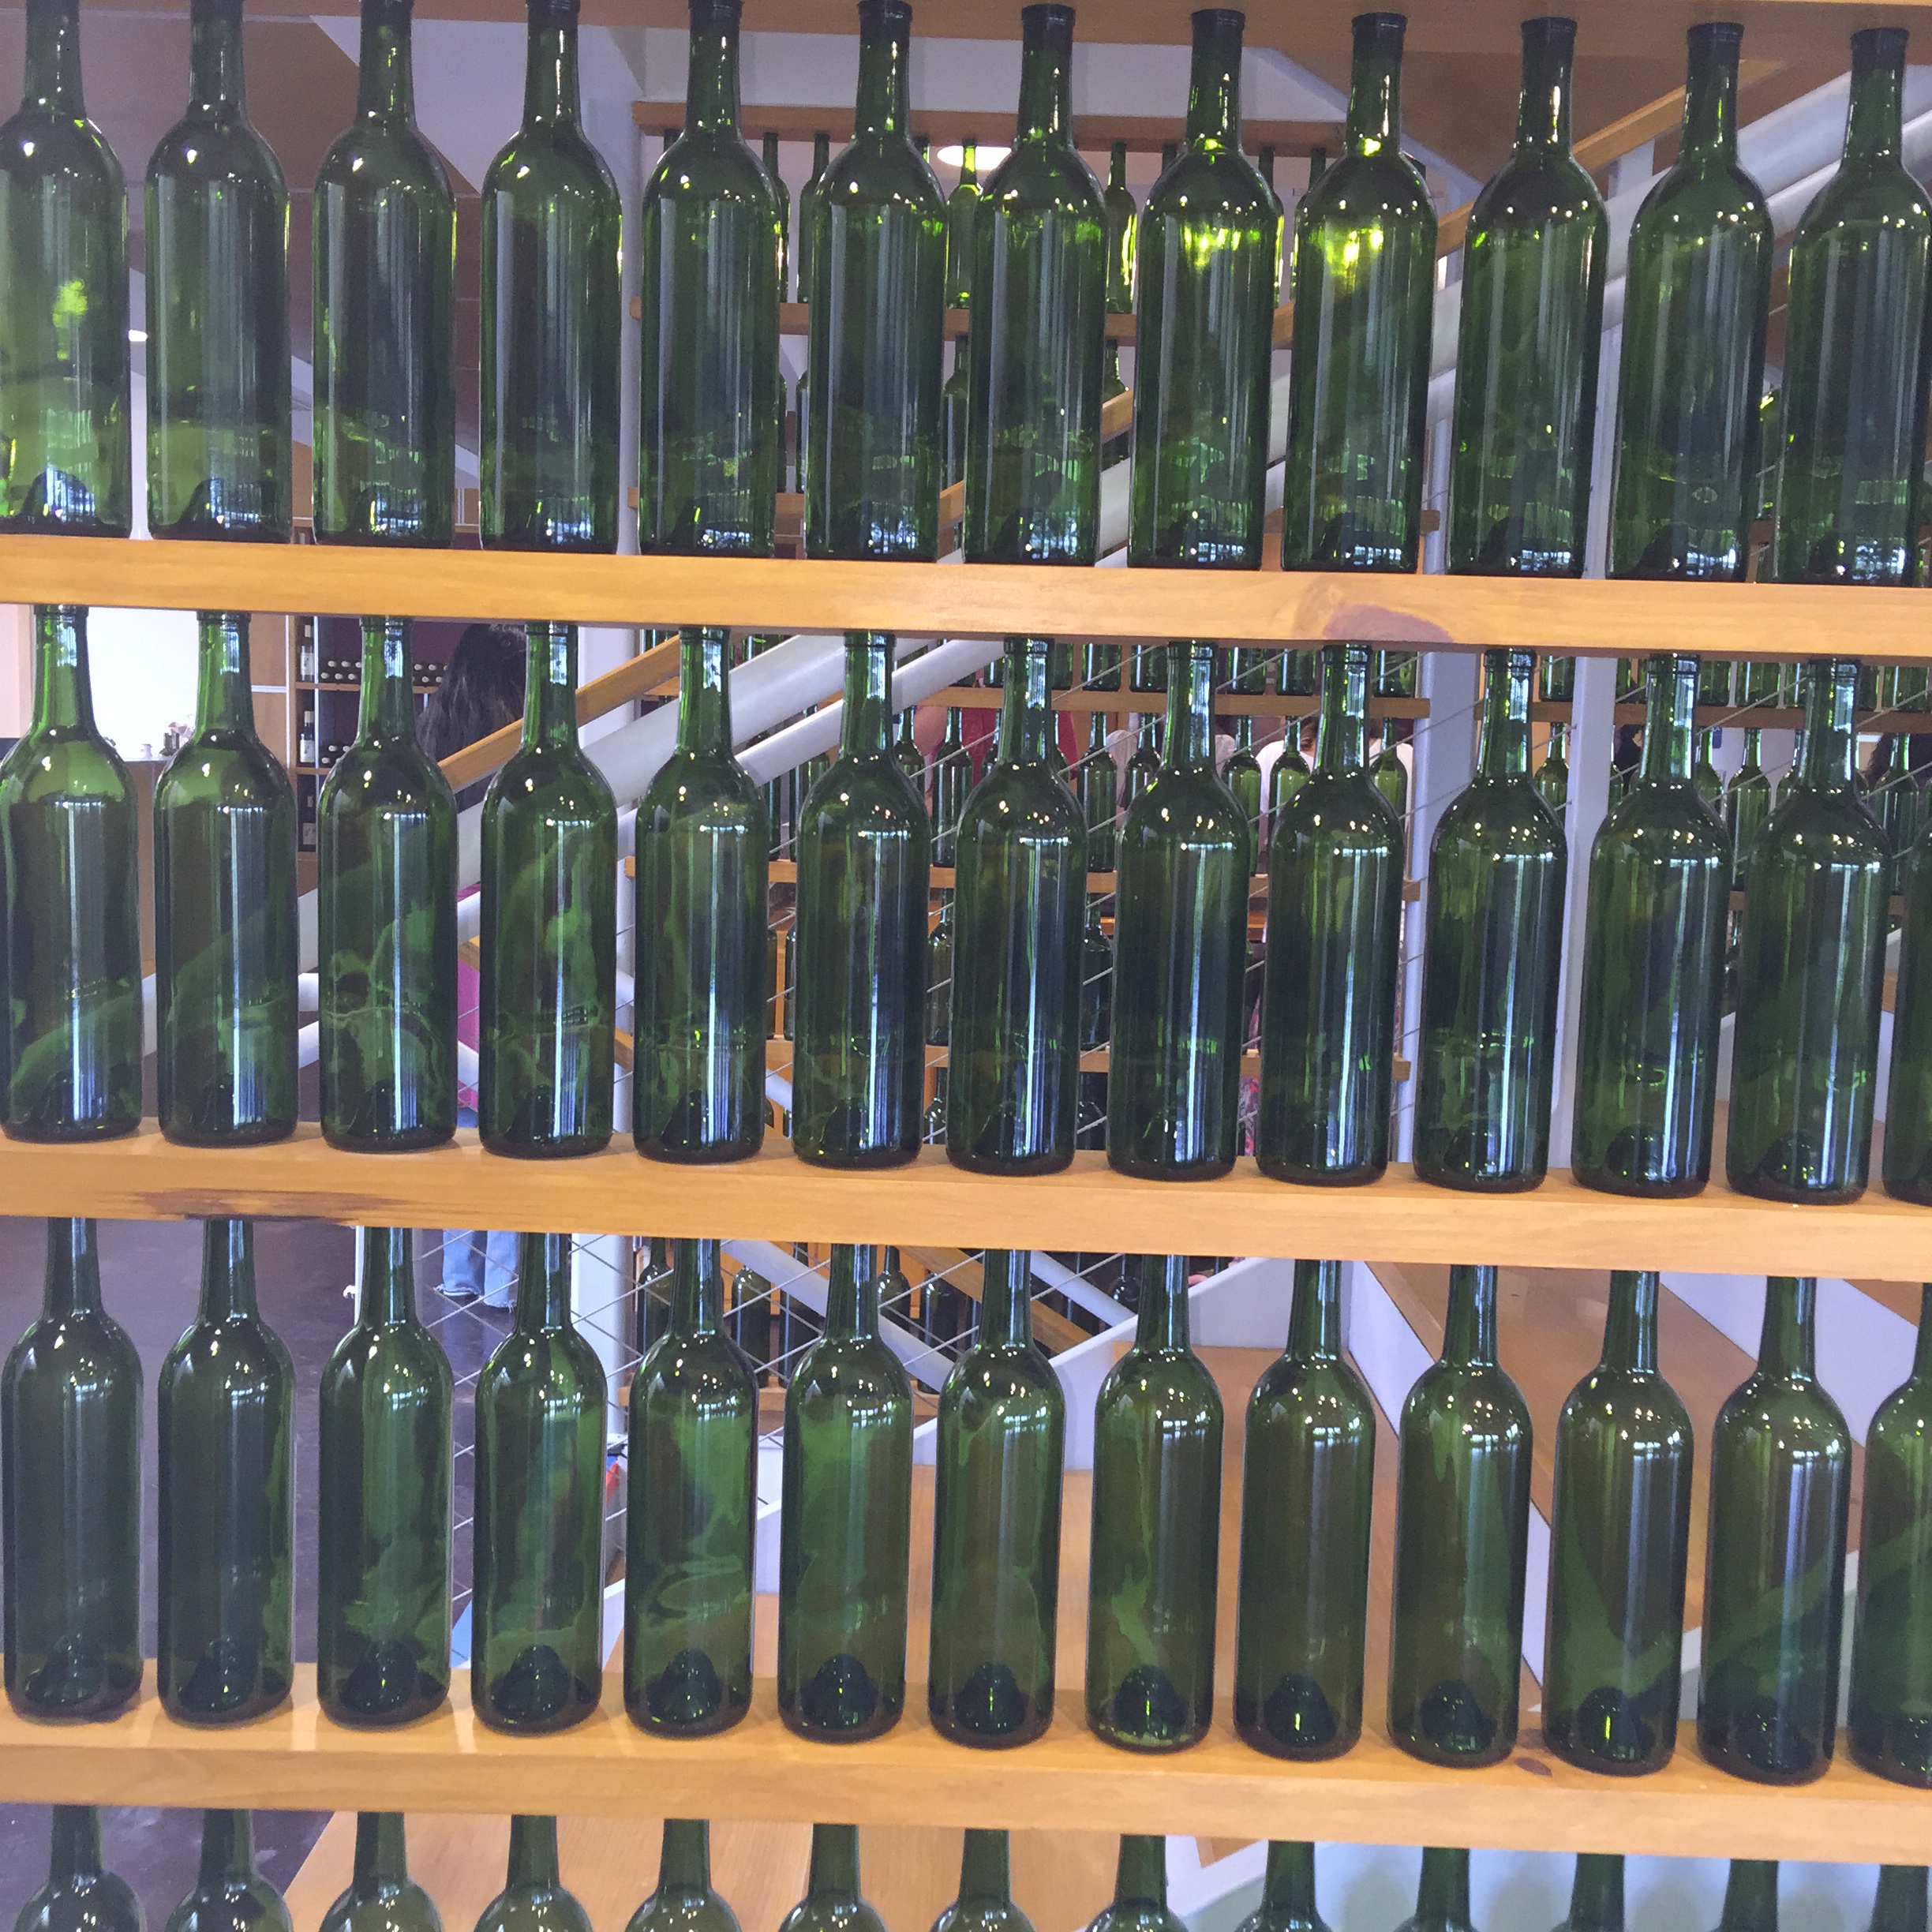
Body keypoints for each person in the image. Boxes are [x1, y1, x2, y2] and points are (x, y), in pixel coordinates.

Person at [421, 623, 527, 1305]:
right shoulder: (512, 740)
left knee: (461, 1106)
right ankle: (501, 1283)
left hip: (446, 910)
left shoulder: (433, 730)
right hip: (498, 907)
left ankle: (456, 1272)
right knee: (505, 1105)